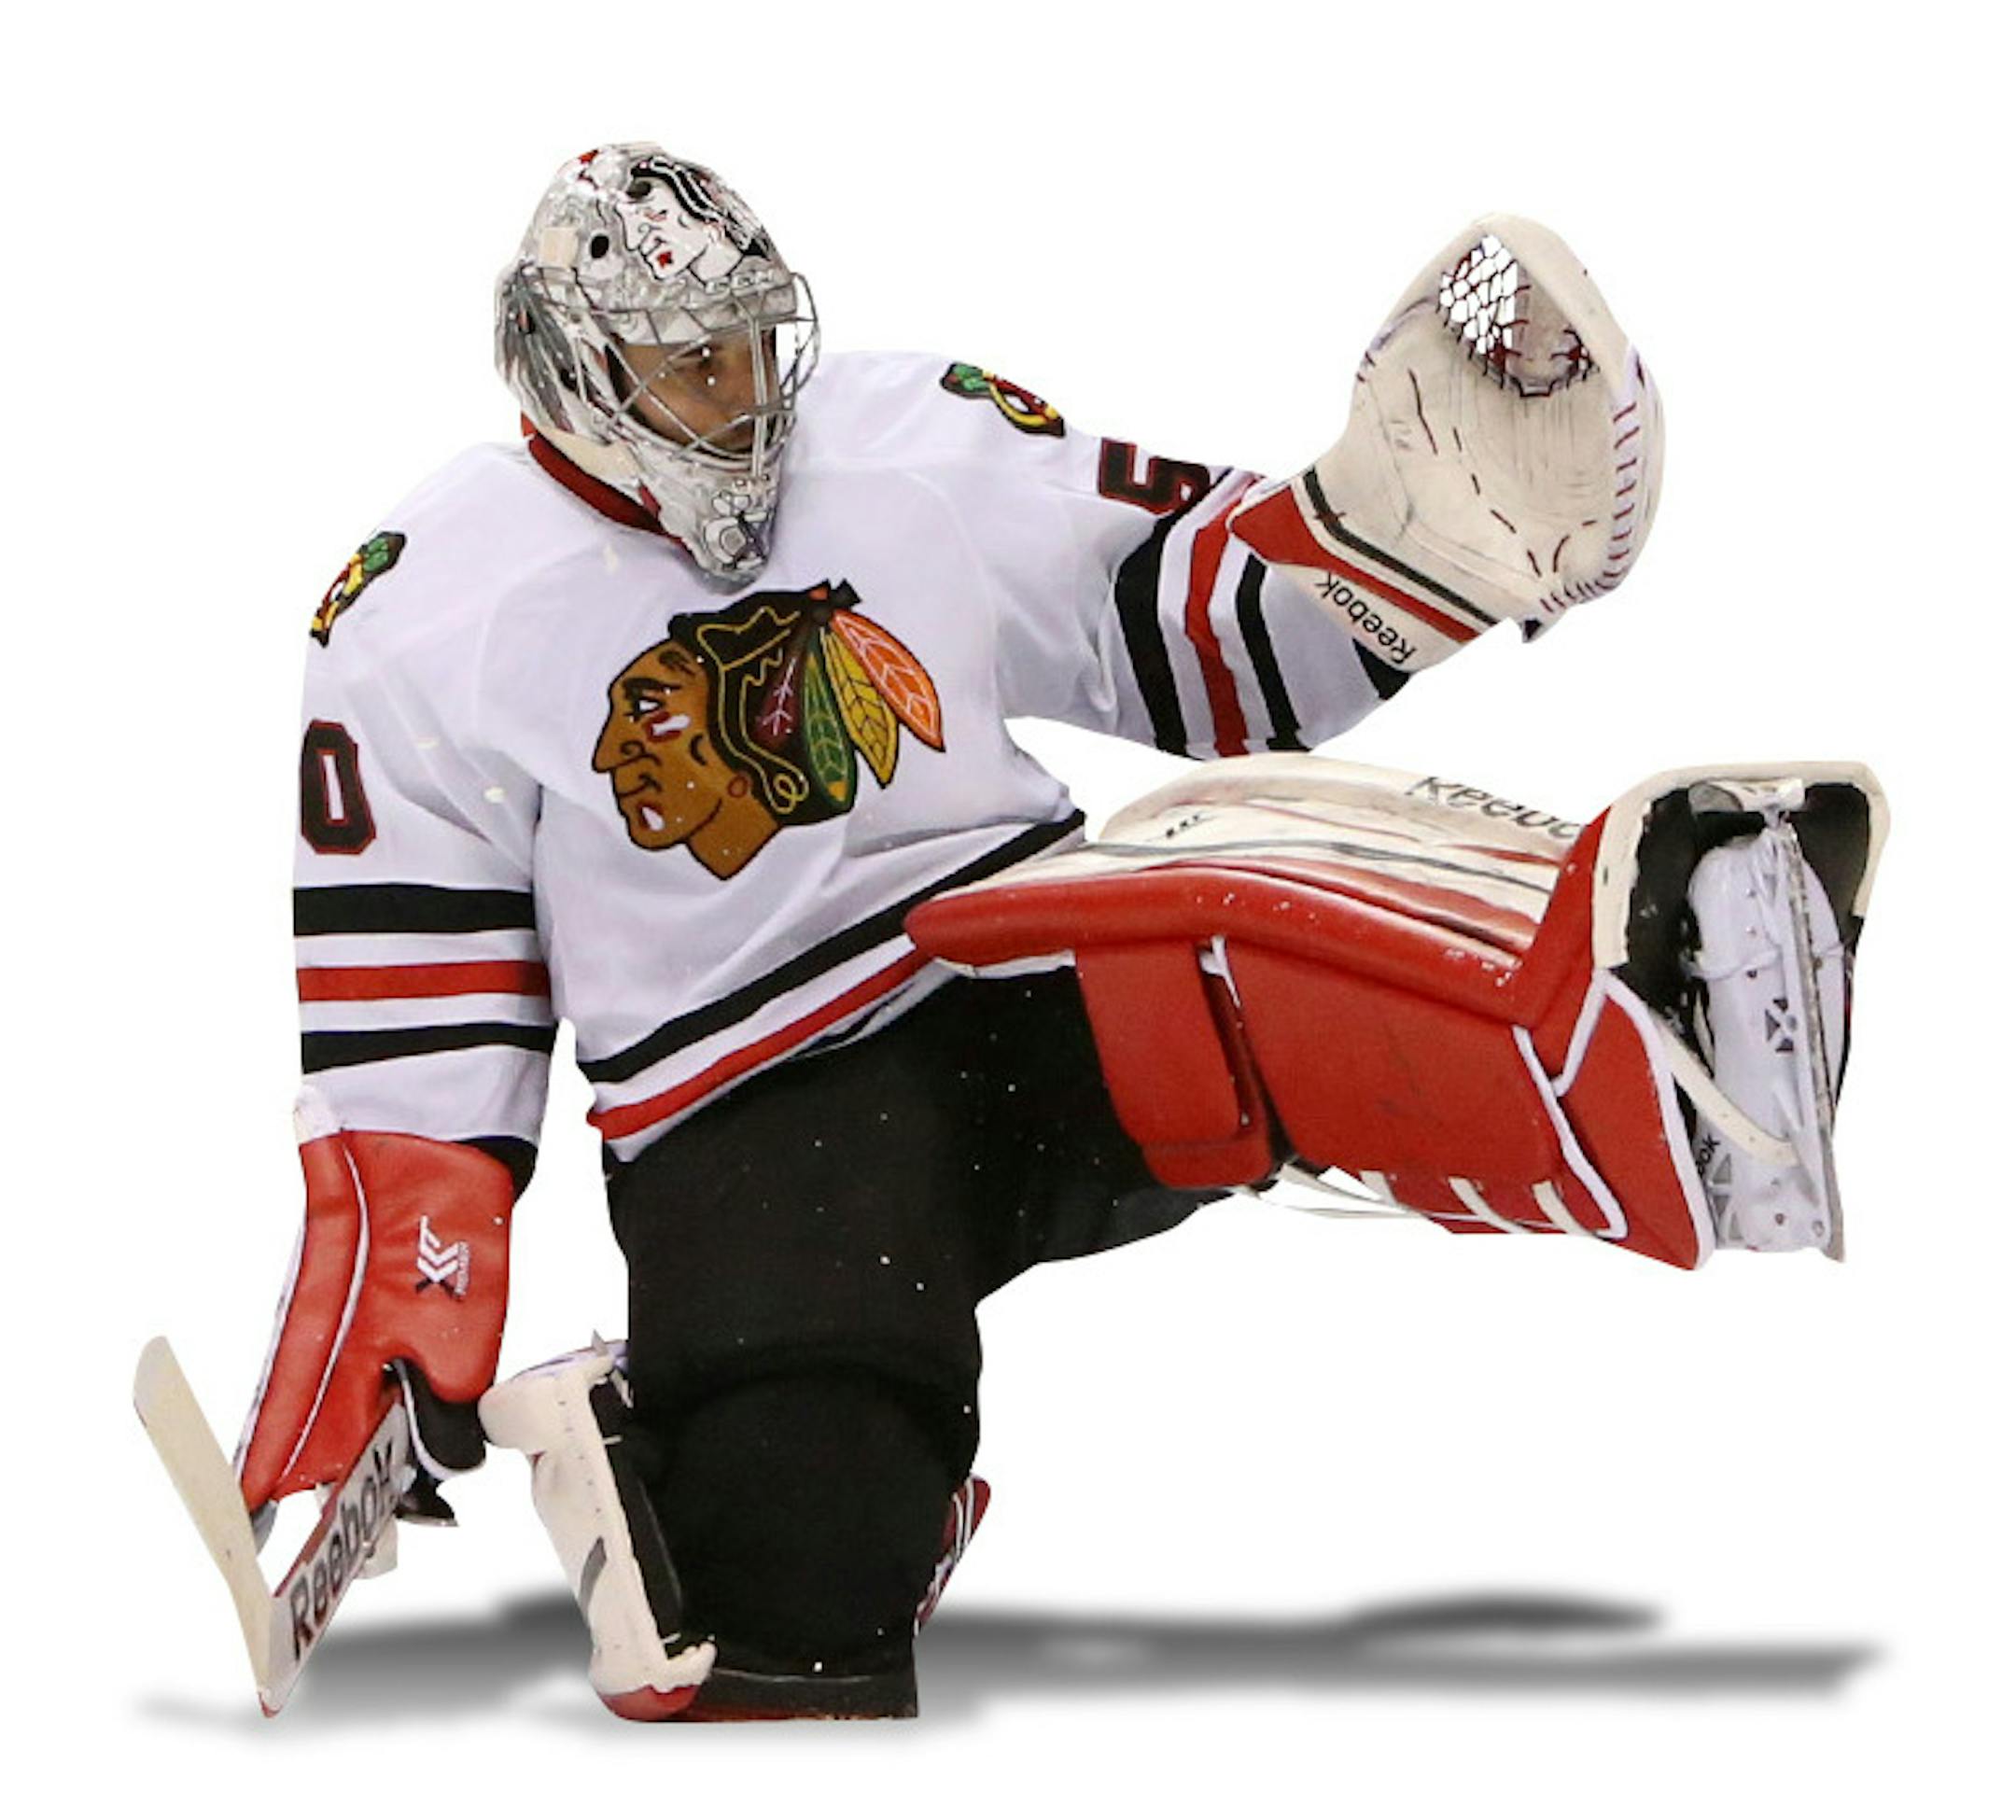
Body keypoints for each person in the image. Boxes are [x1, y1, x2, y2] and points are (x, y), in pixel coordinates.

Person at [235, 143, 1737, 1721]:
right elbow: (418, 1025)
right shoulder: (420, 614)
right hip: (760, 1109)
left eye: (751, 344)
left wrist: (1386, 547)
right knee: (793, 1627)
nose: (739, 397)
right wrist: (402, 1330)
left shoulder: (914, 438)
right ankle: (703, 1458)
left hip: (1017, 965)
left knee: (1268, 956)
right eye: (690, 366)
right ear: (570, 370)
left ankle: (1665, 1053)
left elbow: (1179, 620)